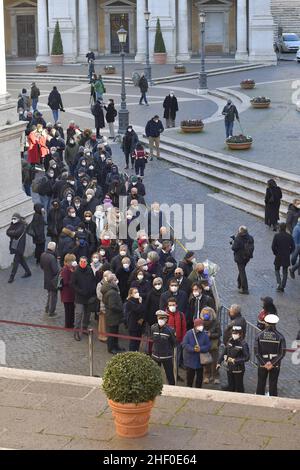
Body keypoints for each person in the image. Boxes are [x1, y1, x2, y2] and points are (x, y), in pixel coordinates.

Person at [255, 314, 286, 397]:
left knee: (261, 383)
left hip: (262, 363)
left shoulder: (259, 335)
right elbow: (282, 353)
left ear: (265, 322)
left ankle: (259, 399)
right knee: (273, 384)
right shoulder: (280, 337)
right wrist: (272, 363)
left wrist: (264, 363)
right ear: (276, 323)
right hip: (275, 364)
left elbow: (257, 352)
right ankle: (272, 399)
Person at [71, 256, 97, 341]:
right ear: (79, 262)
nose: (83, 263)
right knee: (79, 314)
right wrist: (80, 291)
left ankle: (85, 328)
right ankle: (76, 332)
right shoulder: (76, 272)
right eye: (81, 261)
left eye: (84, 262)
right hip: (79, 297)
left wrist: (92, 291)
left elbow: (93, 281)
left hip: (89, 296)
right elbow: (73, 284)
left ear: (87, 262)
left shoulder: (89, 270)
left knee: (87, 313)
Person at [217, 325, 250, 393]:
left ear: (240, 334)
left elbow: (247, 357)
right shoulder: (230, 341)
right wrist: (219, 362)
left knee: (239, 387)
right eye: (233, 333)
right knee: (231, 385)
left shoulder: (243, 344)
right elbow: (224, 352)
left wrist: (235, 360)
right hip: (229, 367)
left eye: (236, 333)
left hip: (238, 369)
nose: (234, 335)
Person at [182, 318, 211, 388]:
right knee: (189, 378)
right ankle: (189, 390)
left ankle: (198, 391)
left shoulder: (205, 335)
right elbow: (184, 344)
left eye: (202, 325)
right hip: (190, 360)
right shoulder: (189, 333)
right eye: (200, 325)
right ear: (195, 326)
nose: (201, 327)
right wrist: (193, 349)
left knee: (199, 379)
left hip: (200, 361)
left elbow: (208, 345)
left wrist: (200, 349)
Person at [101, 273, 125, 354]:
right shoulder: (112, 292)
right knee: (112, 333)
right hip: (112, 315)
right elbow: (112, 306)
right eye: (115, 280)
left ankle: (115, 346)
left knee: (115, 332)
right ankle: (111, 348)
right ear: (112, 281)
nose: (117, 281)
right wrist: (121, 309)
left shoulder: (109, 289)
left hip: (112, 315)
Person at [151, 311, 176, 385]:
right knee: (155, 375)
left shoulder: (170, 330)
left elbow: (173, 343)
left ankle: (172, 390)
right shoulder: (153, 327)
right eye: (159, 318)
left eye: (162, 318)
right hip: (155, 356)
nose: (160, 320)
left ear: (166, 319)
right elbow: (152, 338)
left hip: (166, 357)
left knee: (170, 376)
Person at [6, 213, 32, 283]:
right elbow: (7, 232)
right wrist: (12, 232)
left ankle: (11, 277)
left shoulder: (22, 225)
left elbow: (16, 233)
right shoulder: (13, 224)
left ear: (18, 218)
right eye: (12, 218)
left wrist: (12, 232)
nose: (13, 220)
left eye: (15, 218)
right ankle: (28, 272)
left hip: (20, 246)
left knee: (16, 261)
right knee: (21, 260)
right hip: (15, 245)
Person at [166, 297, 187, 382]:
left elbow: (184, 328)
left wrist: (183, 340)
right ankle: (169, 376)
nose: (172, 306)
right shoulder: (165, 315)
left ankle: (176, 374)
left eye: (173, 305)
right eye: (170, 305)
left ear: (176, 305)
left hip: (178, 342)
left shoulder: (181, 315)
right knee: (168, 360)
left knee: (177, 360)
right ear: (167, 305)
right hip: (168, 343)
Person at [200, 307, 221, 385]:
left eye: (208, 313)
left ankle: (216, 376)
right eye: (205, 313)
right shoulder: (201, 322)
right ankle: (206, 376)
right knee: (206, 362)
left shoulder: (216, 322)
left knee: (215, 362)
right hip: (205, 345)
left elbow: (219, 334)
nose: (206, 314)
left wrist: (210, 335)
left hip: (214, 345)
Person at [272, 222, 295, 292]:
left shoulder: (276, 236)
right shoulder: (289, 236)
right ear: (285, 228)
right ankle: (283, 286)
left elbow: (273, 247)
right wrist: (289, 252)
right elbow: (293, 247)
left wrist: (275, 253)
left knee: (276, 270)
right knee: (285, 272)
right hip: (286, 256)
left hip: (278, 255)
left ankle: (279, 284)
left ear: (279, 228)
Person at [231, 225, 254, 295]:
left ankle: (245, 289)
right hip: (247, 257)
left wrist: (233, 243)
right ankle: (239, 282)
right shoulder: (250, 238)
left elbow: (234, 248)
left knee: (242, 272)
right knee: (242, 270)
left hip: (240, 258)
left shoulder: (238, 238)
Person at [40, 242, 59, 317]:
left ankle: (47, 308)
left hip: (46, 278)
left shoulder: (43, 255)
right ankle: (51, 311)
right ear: (54, 248)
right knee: (53, 296)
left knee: (49, 295)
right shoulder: (52, 257)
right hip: (53, 279)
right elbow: (55, 270)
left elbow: (41, 266)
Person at [124, 287, 145, 351]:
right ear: (131, 294)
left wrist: (142, 318)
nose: (137, 293)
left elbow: (143, 310)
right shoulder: (129, 302)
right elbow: (137, 310)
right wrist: (140, 303)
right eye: (135, 292)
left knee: (138, 341)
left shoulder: (138, 300)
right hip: (133, 325)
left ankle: (136, 353)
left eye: (137, 292)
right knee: (133, 342)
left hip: (139, 324)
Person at [60, 254, 77, 328]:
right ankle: (68, 325)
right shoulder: (65, 269)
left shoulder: (70, 268)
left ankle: (71, 323)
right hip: (67, 294)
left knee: (71, 309)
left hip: (70, 294)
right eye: (73, 260)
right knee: (68, 310)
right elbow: (66, 282)